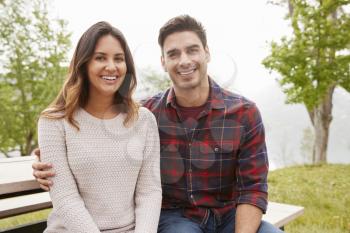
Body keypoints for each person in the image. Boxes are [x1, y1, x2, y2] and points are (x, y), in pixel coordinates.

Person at [33, 15, 283, 233]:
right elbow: (94, 145)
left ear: (207, 52)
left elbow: (252, 188)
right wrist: (47, 158)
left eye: (192, 50)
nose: (184, 60)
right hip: (179, 220)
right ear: (163, 62)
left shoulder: (243, 113)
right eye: (173, 53)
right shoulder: (148, 112)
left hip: (230, 217)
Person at [36, 21, 162, 233]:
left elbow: (149, 191)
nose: (111, 67)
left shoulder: (144, 120)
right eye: (100, 58)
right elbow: (65, 198)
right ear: (83, 64)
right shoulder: (53, 122)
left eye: (119, 59)